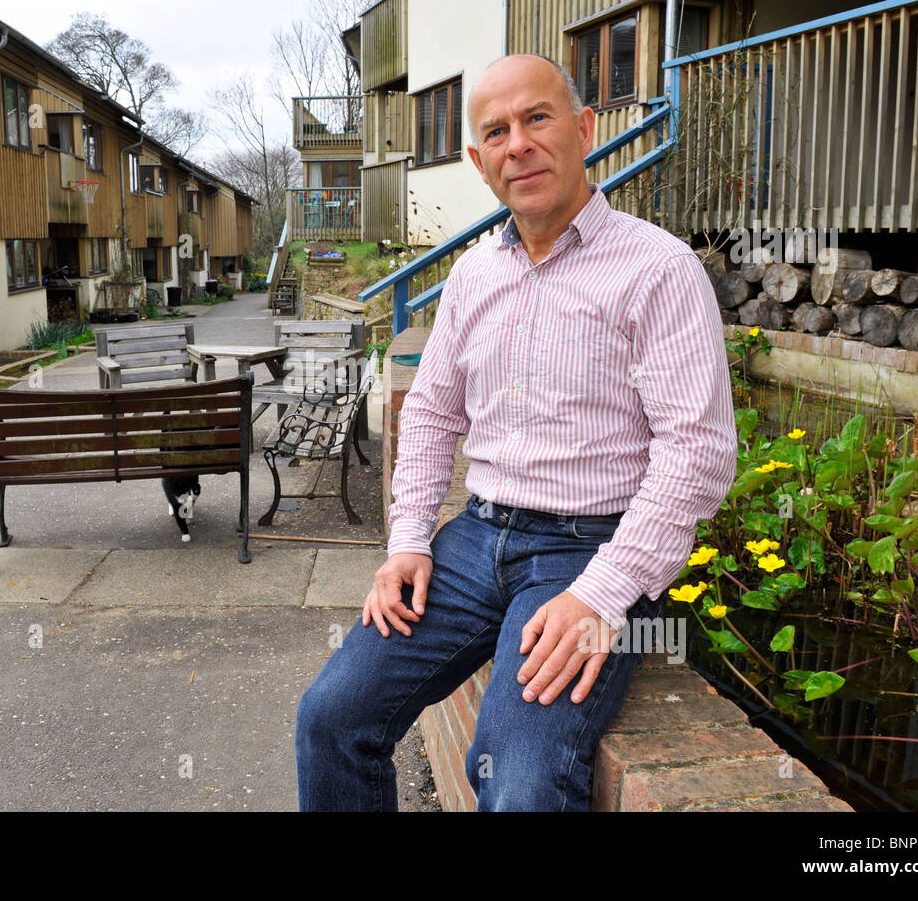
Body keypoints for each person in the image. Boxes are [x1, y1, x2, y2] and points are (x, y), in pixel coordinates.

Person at [295, 53, 738, 811]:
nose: (517, 145)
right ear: (477, 159)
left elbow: (697, 453)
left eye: (537, 118)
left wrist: (602, 595)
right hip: (476, 540)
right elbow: (432, 413)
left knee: (520, 773)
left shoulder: (657, 269)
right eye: (495, 131)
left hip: (593, 546)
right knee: (331, 717)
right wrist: (406, 541)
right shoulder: (473, 275)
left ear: (584, 127)